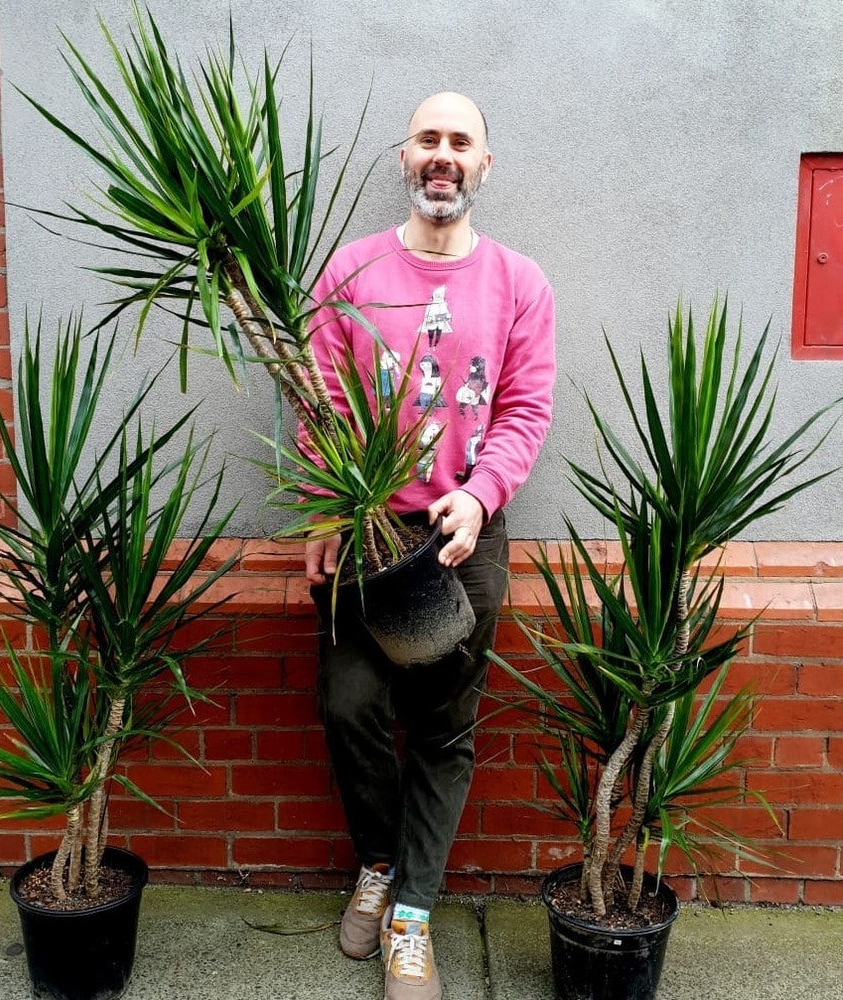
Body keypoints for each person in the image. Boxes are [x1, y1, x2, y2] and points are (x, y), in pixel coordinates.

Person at [304, 91, 556, 1000]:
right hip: (364, 528)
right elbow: (318, 405)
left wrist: (481, 498)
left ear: (485, 164)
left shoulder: (520, 282)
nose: (442, 155)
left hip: (462, 539)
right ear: (404, 159)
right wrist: (325, 510)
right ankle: (376, 863)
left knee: (446, 730)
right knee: (349, 704)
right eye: (427, 139)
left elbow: (525, 409)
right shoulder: (349, 272)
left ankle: (412, 915)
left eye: (461, 141)